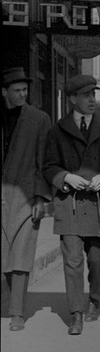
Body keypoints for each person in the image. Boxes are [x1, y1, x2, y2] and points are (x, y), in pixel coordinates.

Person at [42, 74, 100, 335]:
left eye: (94, 94)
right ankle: (76, 313)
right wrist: (66, 177)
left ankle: (95, 299)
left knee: (96, 261)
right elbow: (48, 166)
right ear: (72, 99)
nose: (93, 99)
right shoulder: (57, 131)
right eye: (87, 95)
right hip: (70, 204)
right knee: (73, 261)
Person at [1, 67, 52, 331]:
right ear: (4, 92)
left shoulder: (39, 120)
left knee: (20, 256)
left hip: (25, 195)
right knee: (3, 256)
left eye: (25, 90)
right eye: (17, 91)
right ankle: (5, 306)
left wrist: (41, 199)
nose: (22, 95)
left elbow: (45, 162)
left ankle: (17, 313)